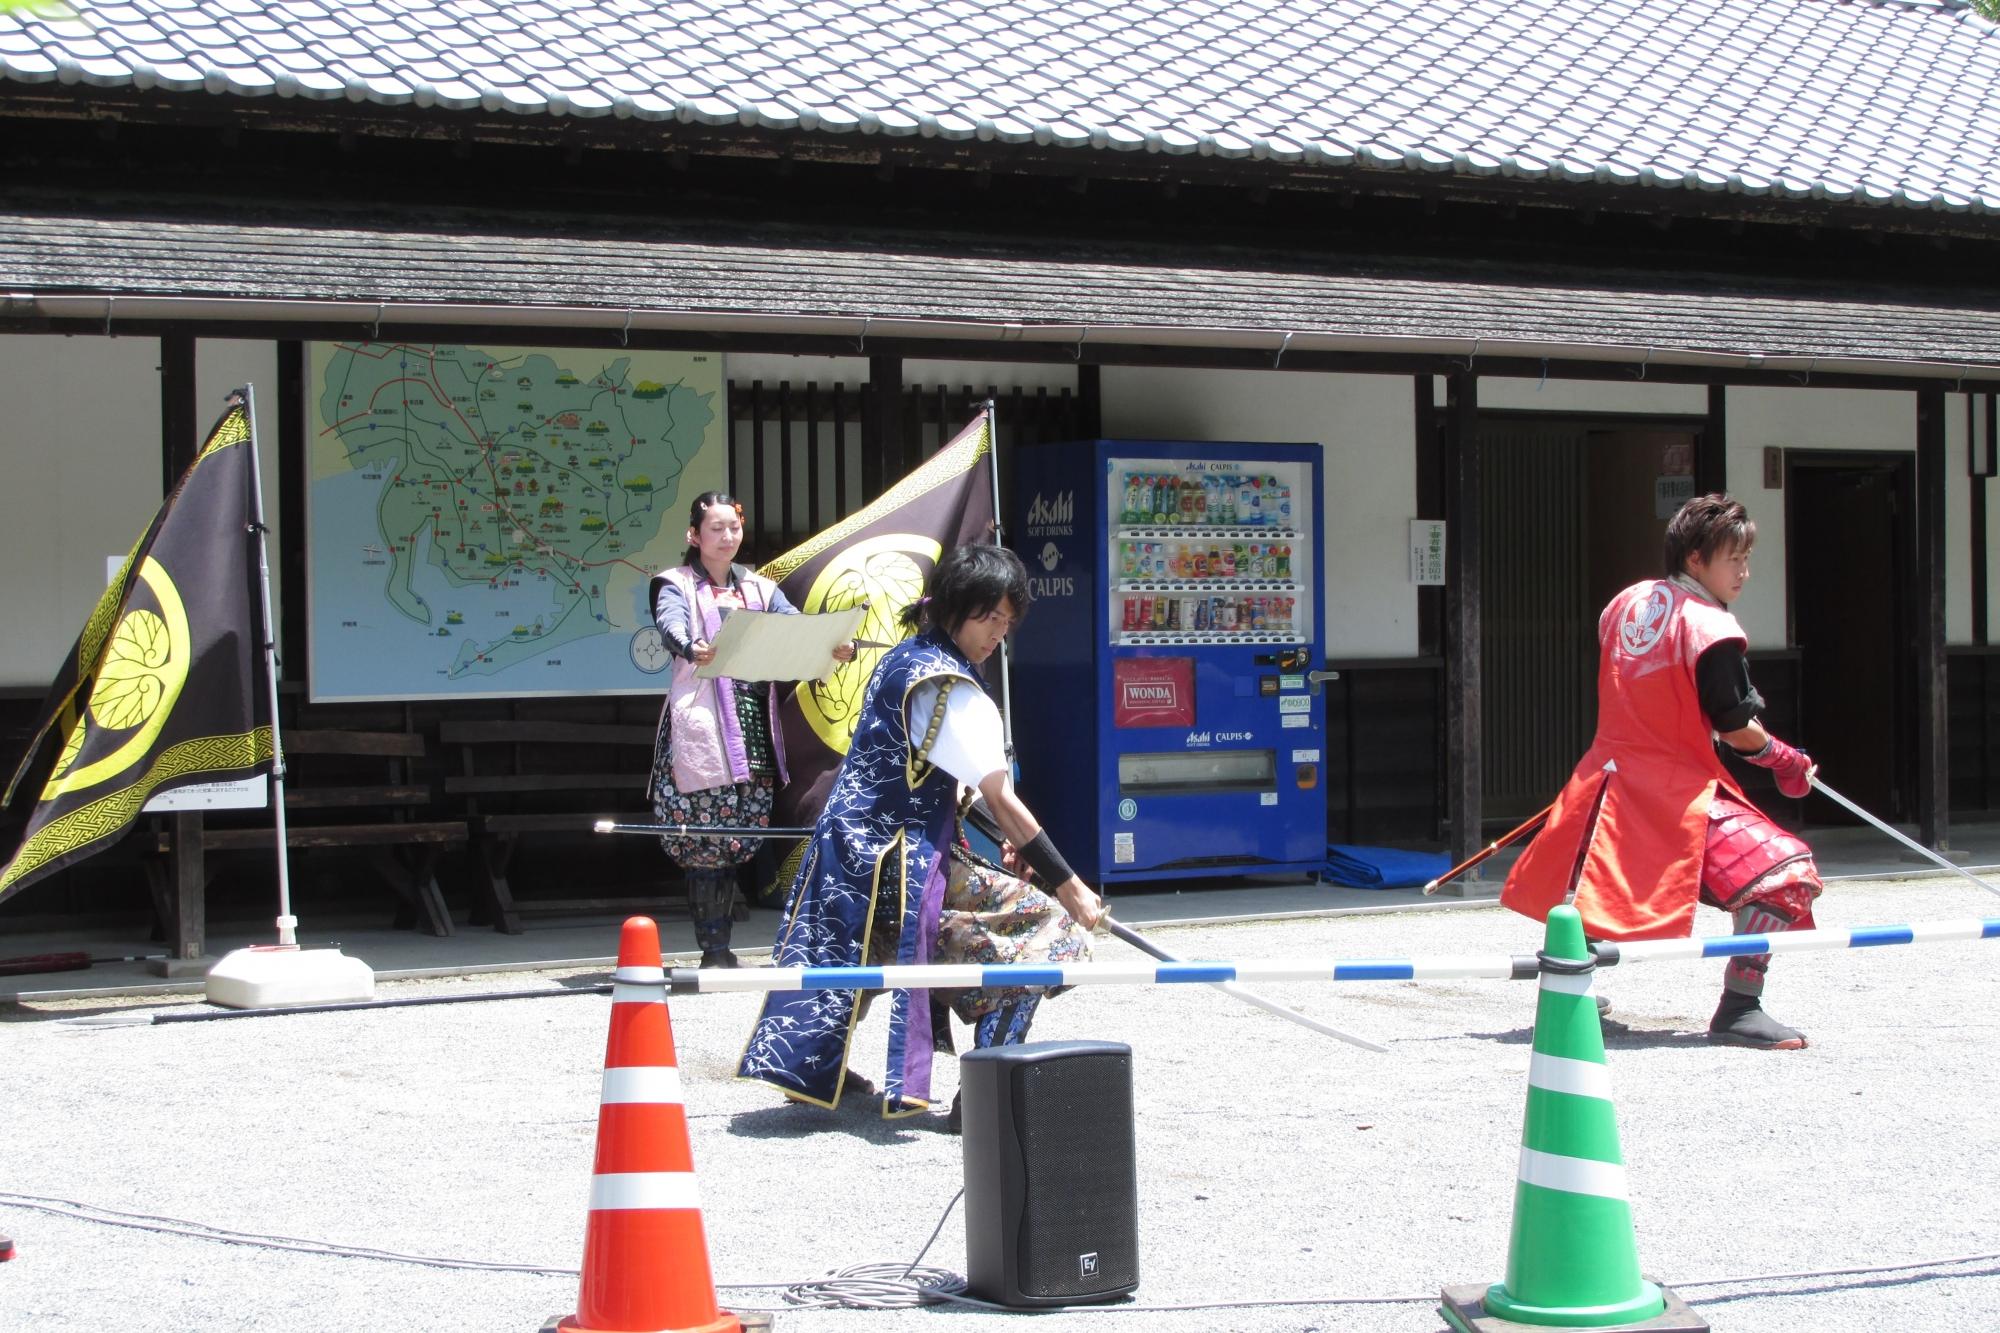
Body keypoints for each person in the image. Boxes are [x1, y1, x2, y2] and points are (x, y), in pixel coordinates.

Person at [738, 543, 1103, 1120]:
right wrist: (1070, 885)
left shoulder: (904, 658)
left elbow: (941, 777)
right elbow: (1001, 799)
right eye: (988, 617)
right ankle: (986, 1094)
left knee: (860, 953)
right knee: (1047, 927)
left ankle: (816, 1067)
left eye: (1007, 622)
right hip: (897, 865)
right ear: (956, 606)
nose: (997, 633)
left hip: (847, 855)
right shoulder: (950, 686)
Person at [1502, 493, 1822, 1050]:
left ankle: (1570, 992)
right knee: (1782, 873)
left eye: (1747, 559)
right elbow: (1735, 727)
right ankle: (1740, 1006)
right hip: (1675, 787)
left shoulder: (1626, 602)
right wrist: (1786, 760)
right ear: (1696, 559)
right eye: (1732, 560)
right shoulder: (1709, 627)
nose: (1743, 573)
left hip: (1606, 782)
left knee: (1592, 888)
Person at [648, 490, 854, 968]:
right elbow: (669, 625)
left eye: (733, 527)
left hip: (752, 727)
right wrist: (690, 645)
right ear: (693, 535)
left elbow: (796, 631)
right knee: (702, 839)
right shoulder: (672, 583)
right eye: (715, 528)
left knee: (738, 834)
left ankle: (721, 945)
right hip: (700, 726)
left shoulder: (760, 588)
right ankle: (714, 948)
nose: (726, 536)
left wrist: (833, 646)